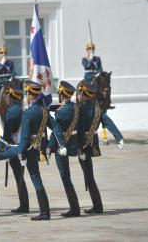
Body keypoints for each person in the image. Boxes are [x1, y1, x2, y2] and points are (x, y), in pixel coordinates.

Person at [0, 80, 64, 221]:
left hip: (25, 149)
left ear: (30, 95)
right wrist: (62, 144)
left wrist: (14, 151)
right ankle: (44, 211)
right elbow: (55, 127)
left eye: (27, 93)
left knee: (33, 177)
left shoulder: (27, 113)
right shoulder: (43, 110)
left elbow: (22, 140)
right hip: (35, 148)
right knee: (36, 178)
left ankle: (44, 212)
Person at [77, 82, 124, 214]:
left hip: (80, 145)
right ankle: (97, 205)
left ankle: (97, 206)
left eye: (79, 93)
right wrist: (118, 137)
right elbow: (108, 122)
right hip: (91, 144)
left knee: (89, 176)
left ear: (82, 93)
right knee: (89, 174)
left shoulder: (79, 107)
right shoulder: (97, 108)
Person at [47, 81, 81, 217]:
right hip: (73, 145)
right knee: (68, 178)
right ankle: (75, 207)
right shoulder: (75, 108)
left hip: (62, 148)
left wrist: (49, 148)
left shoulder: (60, 113)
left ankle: (74, 209)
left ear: (62, 94)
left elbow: (57, 133)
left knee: (65, 178)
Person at [2, 83, 29, 213]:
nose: (6, 99)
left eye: (7, 96)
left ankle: (24, 205)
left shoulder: (11, 111)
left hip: (14, 147)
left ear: (11, 97)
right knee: (21, 176)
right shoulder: (23, 109)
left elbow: (7, 134)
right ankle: (24, 204)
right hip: (25, 146)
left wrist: (6, 151)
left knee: (19, 176)